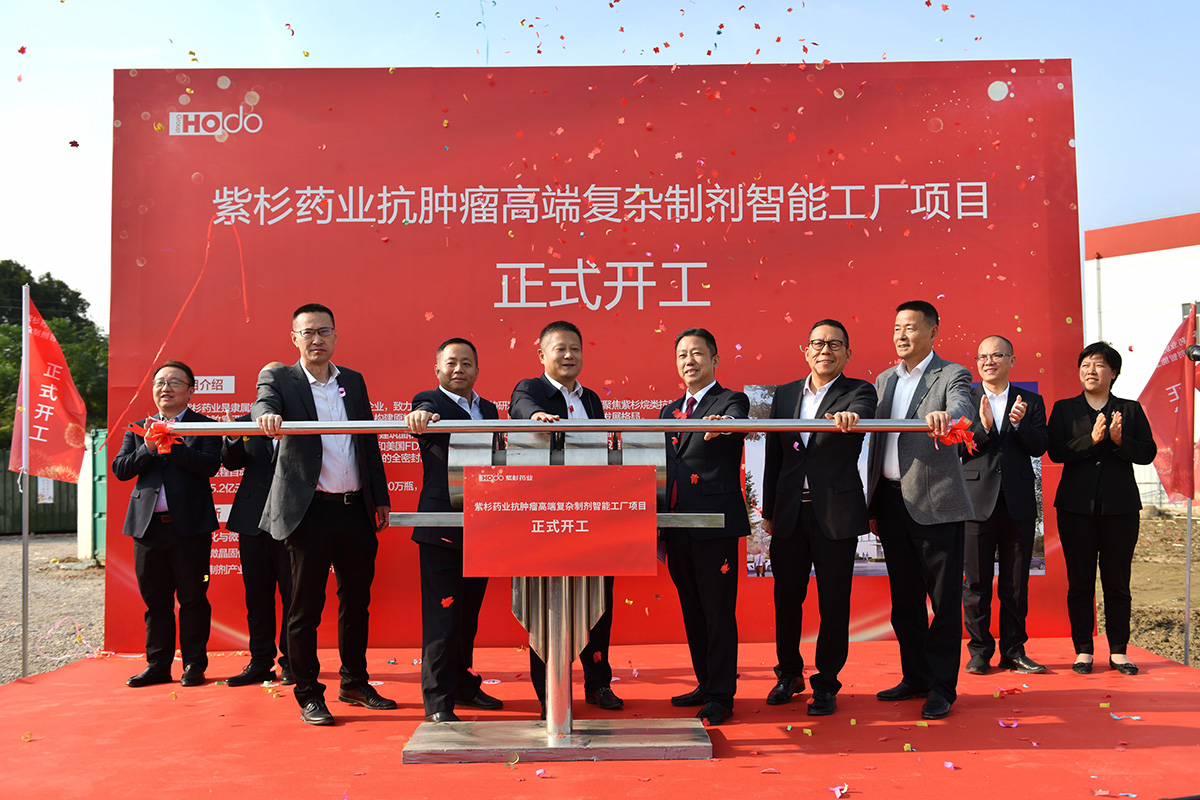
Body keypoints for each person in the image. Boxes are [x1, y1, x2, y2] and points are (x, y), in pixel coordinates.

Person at [254, 303, 393, 726]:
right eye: (308, 332)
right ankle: (309, 693)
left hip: (355, 509)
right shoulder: (280, 378)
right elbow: (263, 404)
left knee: (357, 603)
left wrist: (379, 496)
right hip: (308, 512)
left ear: (335, 335)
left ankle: (354, 683)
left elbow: (368, 441)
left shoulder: (353, 380)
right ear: (294, 338)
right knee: (305, 609)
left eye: (324, 331)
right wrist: (267, 417)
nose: (317, 340)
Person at [866, 300, 974, 720]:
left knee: (943, 602)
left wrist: (949, 416)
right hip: (891, 502)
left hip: (936, 503)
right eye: (897, 327)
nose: (902, 335)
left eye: (910, 327)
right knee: (905, 601)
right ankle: (915, 676)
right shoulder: (884, 380)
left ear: (933, 331)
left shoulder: (951, 374)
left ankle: (942, 688)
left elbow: (963, 408)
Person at [762, 319, 875, 716]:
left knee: (834, 603)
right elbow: (775, 454)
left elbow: (863, 411)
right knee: (786, 598)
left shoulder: (859, 391)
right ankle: (788, 673)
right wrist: (769, 511)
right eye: (817, 343)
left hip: (835, 513)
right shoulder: (786, 393)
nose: (825, 350)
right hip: (790, 512)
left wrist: (851, 416)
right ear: (805, 351)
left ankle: (826, 683)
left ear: (847, 352)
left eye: (834, 344)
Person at [509, 320, 622, 713]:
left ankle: (598, 683)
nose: (569, 355)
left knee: (598, 605)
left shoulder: (591, 399)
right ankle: (549, 696)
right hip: (548, 517)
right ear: (542, 354)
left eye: (575, 348)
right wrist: (537, 416)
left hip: (592, 513)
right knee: (547, 609)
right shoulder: (530, 389)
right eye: (560, 348)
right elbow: (521, 408)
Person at [404, 337, 504, 722]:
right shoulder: (429, 401)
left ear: (477, 370)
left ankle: (463, 684)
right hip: (441, 525)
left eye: (466, 363)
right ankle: (438, 703)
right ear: (438, 369)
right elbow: (421, 411)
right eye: (451, 363)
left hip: (483, 524)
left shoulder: (489, 409)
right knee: (442, 615)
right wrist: (420, 416)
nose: (458, 369)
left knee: (467, 615)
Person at [1047, 341, 1156, 676]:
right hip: (1075, 509)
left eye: (1098, 365)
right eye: (1085, 365)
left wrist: (1121, 442)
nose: (1090, 371)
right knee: (1080, 582)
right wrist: (1091, 440)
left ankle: (1119, 651)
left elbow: (1148, 452)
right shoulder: (1065, 409)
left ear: (1113, 373)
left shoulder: (1130, 410)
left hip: (1120, 509)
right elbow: (1055, 452)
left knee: (1117, 582)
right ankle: (1083, 650)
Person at [659, 328, 750, 727]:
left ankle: (720, 695)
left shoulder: (730, 400)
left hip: (714, 524)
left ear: (714, 360)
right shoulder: (668, 412)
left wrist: (724, 423)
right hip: (676, 525)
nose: (689, 361)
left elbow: (736, 423)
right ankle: (704, 682)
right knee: (693, 610)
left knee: (718, 612)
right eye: (682, 354)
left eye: (697, 353)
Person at [112, 360, 220, 688]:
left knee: (193, 598)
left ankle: (194, 665)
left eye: (174, 382)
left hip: (190, 529)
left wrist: (171, 446)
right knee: (156, 601)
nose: (166, 388)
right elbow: (121, 469)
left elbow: (210, 465)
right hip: (148, 529)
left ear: (191, 390)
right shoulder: (138, 428)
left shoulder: (204, 427)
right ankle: (158, 664)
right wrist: (148, 447)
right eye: (160, 382)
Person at [962, 336, 1049, 676]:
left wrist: (1018, 424)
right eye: (982, 356)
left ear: (1011, 360)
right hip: (975, 501)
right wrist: (983, 427)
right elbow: (956, 449)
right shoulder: (966, 399)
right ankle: (979, 651)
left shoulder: (1031, 401)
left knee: (1015, 584)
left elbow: (1040, 446)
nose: (989, 361)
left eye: (997, 355)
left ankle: (1013, 650)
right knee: (976, 584)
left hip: (1018, 503)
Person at [220, 361, 294, 687]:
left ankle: (293, 662)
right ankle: (260, 662)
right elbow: (231, 463)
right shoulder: (245, 421)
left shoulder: (305, 420)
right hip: (253, 522)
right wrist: (232, 438)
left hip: (294, 522)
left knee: (294, 598)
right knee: (258, 598)